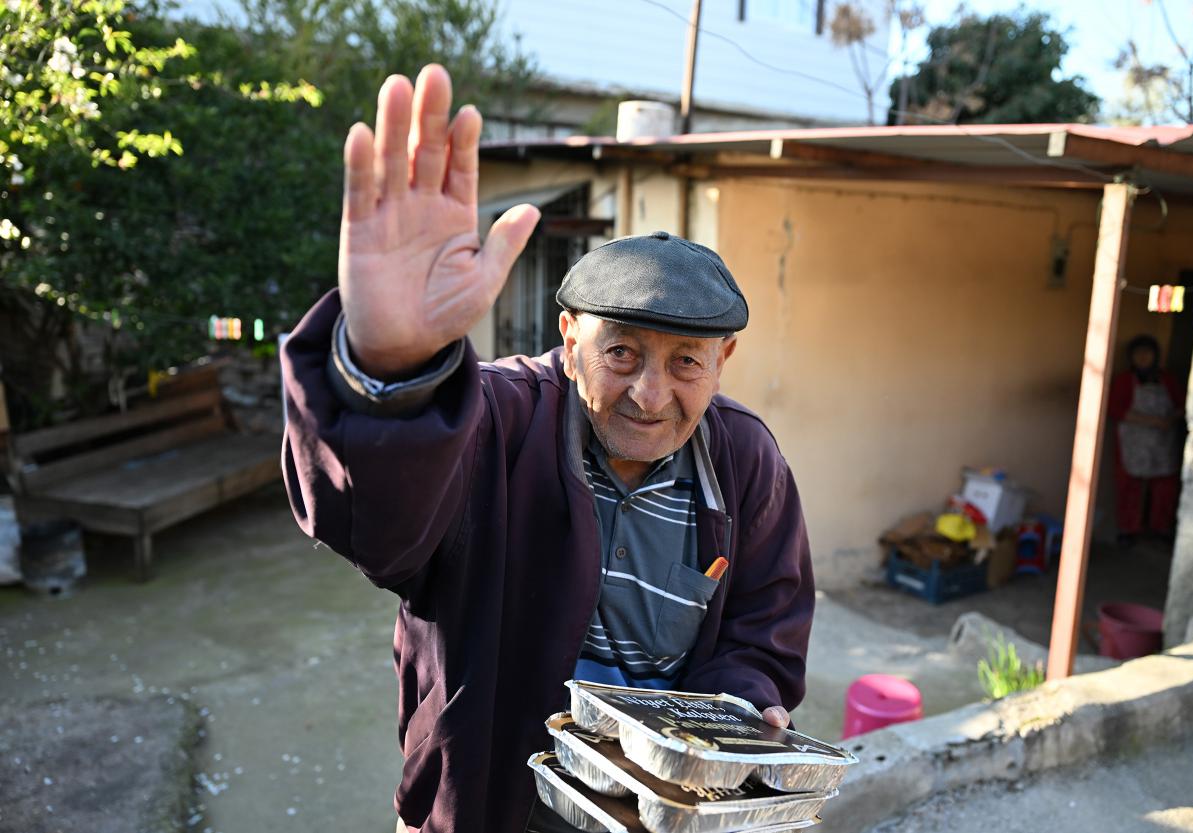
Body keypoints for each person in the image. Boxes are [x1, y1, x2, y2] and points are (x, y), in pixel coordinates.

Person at [280, 65, 814, 833]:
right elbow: (378, 528)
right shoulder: (500, 419)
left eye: (686, 362)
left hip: (648, 813)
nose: (651, 394)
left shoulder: (745, 462)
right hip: (487, 800)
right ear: (569, 340)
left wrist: (730, 716)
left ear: (722, 361)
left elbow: (764, 627)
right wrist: (392, 371)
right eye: (622, 353)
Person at [1108, 334, 1184, 544]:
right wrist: (1151, 421)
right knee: (1129, 486)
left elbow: (1182, 405)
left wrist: (1169, 420)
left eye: (1147, 353)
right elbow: (1115, 409)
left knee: (1165, 487)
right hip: (1133, 442)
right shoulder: (1125, 380)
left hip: (1163, 442)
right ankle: (1128, 530)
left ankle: (1161, 529)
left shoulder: (1167, 379)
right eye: (1138, 353)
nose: (1143, 357)